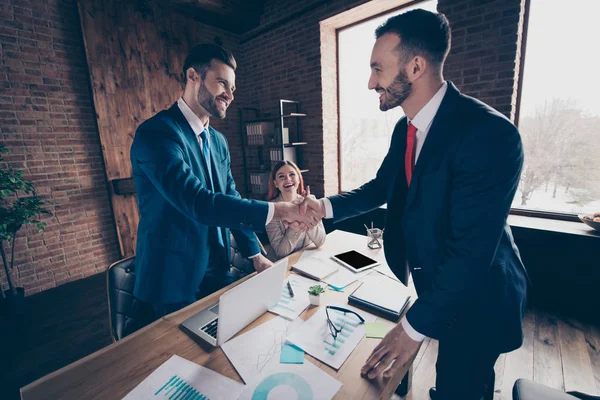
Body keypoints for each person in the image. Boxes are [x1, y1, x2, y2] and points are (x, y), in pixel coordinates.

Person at [299, 9, 528, 400]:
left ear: (416, 66)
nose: (371, 82)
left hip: (480, 299)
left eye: (378, 69)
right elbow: (381, 188)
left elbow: (471, 254)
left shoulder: (490, 135)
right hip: (438, 283)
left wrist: (410, 328)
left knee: (462, 388)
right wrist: (322, 206)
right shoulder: (406, 128)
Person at [130, 44, 320, 319]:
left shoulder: (218, 141)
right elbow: (198, 202)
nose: (230, 95)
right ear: (193, 76)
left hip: (217, 270)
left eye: (233, 88)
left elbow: (230, 196)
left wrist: (255, 254)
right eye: (222, 83)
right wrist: (279, 210)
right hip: (172, 279)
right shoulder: (157, 134)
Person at [265, 161, 326, 261]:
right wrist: (296, 224)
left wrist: (305, 213)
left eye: (292, 174)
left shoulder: (311, 201)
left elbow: (320, 241)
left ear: (298, 179)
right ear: (276, 183)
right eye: (281, 176)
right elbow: (281, 252)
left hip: (303, 259)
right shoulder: (272, 209)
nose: (288, 179)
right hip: (280, 264)